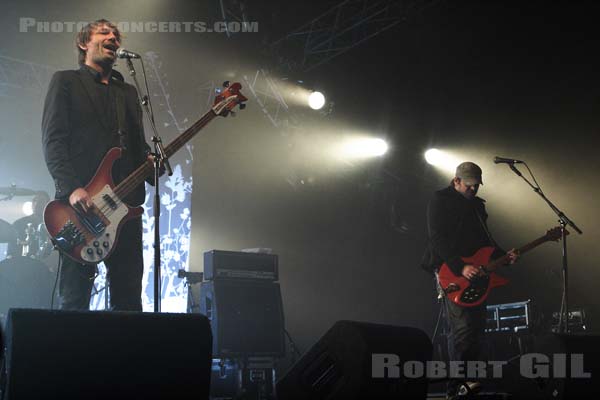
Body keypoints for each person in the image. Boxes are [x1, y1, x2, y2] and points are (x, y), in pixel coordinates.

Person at [42, 19, 152, 311]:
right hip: (81, 208)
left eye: (116, 35)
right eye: (104, 33)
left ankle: (124, 356)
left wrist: (152, 162)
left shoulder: (127, 93)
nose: (113, 38)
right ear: (83, 43)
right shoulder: (66, 81)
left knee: (128, 298)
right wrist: (71, 188)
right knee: (74, 299)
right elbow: (54, 141)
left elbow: (137, 145)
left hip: (124, 208)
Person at [422, 161, 518, 399]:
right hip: (450, 268)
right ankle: (454, 389)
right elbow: (437, 238)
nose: (474, 190)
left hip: (477, 270)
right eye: (469, 186)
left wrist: (503, 255)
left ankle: (470, 383)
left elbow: (486, 241)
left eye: (477, 186)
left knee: (477, 329)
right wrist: (460, 267)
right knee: (462, 329)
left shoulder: (477, 205)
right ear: (456, 181)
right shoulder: (440, 200)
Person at [9, 191, 52, 258]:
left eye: (41, 201)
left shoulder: (52, 225)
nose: (36, 204)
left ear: (47, 204)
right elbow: (11, 250)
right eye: (34, 200)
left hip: (44, 264)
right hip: (21, 263)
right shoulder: (18, 224)